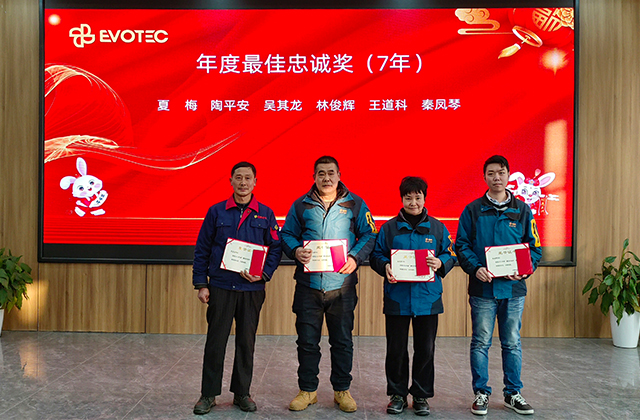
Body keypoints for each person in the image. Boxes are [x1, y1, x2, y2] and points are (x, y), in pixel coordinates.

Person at [281, 155, 377, 413]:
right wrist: (295, 251)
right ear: (314, 177)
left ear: (339, 175)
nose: (326, 178)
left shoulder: (355, 204)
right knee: (307, 342)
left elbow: (370, 234)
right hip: (308, 286)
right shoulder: (300, 205)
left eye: (331, 173)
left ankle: (341, 390)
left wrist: (355, 257)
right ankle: (307, 390)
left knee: (342, 341)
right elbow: (286, 234)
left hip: (342, 286)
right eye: (321, 173)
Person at [191, 161, 282, 415]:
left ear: (255, 182)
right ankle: (208, 394)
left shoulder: (266, 214)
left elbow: (275, 249)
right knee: (215, 342)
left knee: (246, 342)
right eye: (238, 178)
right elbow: (202, 249)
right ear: (230, 181)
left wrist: (263, 274)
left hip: (251, 290)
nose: (243, 183)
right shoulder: (216, 212)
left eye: (248, 178)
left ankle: (242, 393)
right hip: (220, 286)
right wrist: (201, 284)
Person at [455, 155, 542, 416]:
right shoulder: (472, 210)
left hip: (513, 290)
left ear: (508, 175)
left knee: (512, 342)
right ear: (484, 177)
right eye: (491, 173)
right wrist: (475, 268)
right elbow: (462, 245)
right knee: (480, 342)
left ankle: (512, 393)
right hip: (483, 289)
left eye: (501, 173)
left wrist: (525, 270)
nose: (496, 178)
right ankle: (481, 393)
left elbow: (535, 247)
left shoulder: (522, 210)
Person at [370, 176, 456, 416]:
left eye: (418, 198)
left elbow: (450, 254)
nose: (414, 203)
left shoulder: (438, 228)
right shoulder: (388, 228)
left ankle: (420, 395)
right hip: (397, 298)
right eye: (409, 198)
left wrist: (441, 262)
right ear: (402, 199)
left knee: (425, 349)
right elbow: (376, 255)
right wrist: (385, 266)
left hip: (428, 299)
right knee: (396, 350)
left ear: (425, 198)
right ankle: (397, 394)